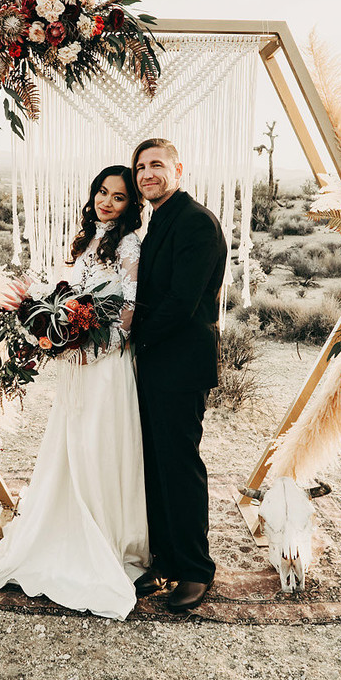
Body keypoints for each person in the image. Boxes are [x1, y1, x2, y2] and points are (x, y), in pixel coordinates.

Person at [0, 165, 150, 620]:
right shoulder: (89, 239)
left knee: (98, 442)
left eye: (119, 197)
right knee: (71, 442)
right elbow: (76, 295)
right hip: (79, 362)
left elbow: (129, 306)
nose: (107, 202)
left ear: (132, 205)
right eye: (102, 193)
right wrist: (40, 306)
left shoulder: (128, 244)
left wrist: (99, 349)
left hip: (106, 365)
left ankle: (105, 533)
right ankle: (61, 524)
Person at [131, 138, 227, 612]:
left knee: (180, 465)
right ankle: (164, 560)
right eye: (141, 167)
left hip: (179, 363)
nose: (147, 174)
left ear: (178, 169)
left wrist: (130, 336)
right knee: (154, 464)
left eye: (156, 165)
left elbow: (181, 303)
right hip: (153, 363)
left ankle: (195, 569)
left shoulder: (196, 223)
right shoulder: (158, 220)